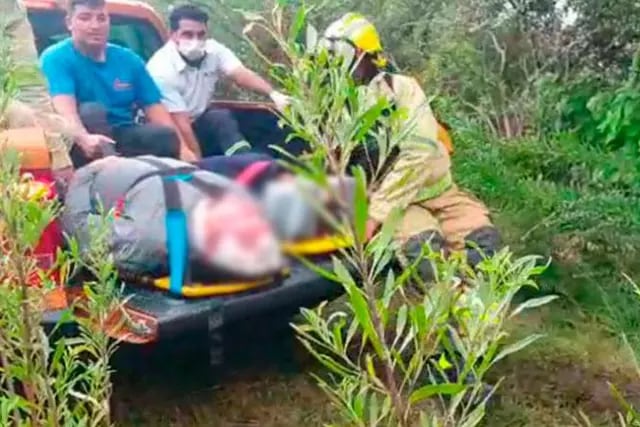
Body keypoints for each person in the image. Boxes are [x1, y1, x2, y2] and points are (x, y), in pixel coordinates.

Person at [318, 13, 501, 281]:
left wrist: (374, 215)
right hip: (395, 206)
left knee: (484, 246)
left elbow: (420, 151)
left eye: (338, 52)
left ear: (359, 52)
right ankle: (446, 317)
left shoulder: (403, 90)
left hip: (440, 195)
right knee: (425, 256)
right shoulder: (335, 106)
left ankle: (476, 316)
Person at [39, 0, 196, 169]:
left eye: (101, 18)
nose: (94, 25)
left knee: (163, 136)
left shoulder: (129, 60)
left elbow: (155, 109)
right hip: (80, 139)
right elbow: (65, 111)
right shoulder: (55, 58)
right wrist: (84, 139)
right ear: (69, 23)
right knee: (91, 111)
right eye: (85, 18)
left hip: (124, 135)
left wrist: (183, 150)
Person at [146, 4, 291, 158]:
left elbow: (240, 74)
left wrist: (273, 93)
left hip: (199, 119)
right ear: (173, 35)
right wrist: (197, 162)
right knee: (219, 120)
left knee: (249, 122)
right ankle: (238, 164)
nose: (195, 41)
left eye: (201, 35)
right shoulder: (162, 69)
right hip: (170, 131)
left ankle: (245, 160)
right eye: (188, 35)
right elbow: (182, 125)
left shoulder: (213, 51)